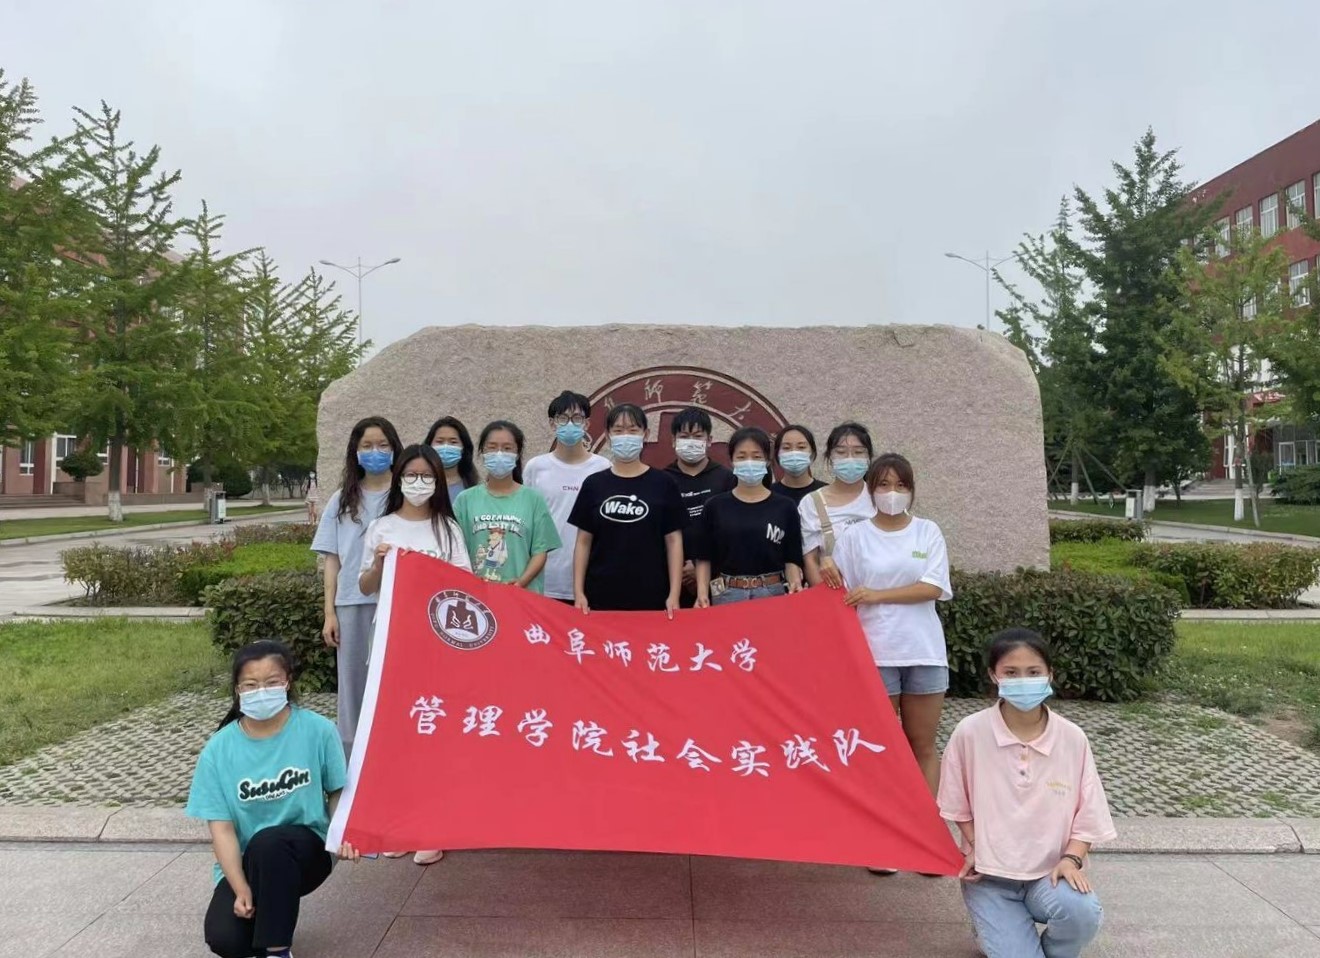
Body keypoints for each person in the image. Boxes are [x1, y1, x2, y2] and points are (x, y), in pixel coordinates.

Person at [939, 629, 1115, 958]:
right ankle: (992, 928)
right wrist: (977, 847)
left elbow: (1089, 814)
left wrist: (1071, 859)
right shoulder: (970, 732)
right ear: (993, 675)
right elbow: (955, 803)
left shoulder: (1072, 738)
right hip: (990, 879)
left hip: (1050, 875)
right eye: (1011, 672)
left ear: (1050, 674)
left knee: (1082, 911)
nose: (1023, 680)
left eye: (1034, 672)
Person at [186, 640, 346, 958]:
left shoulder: (318, 730)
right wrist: (240, 887)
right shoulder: (218, 749)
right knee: (226, 940)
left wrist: (343, 834)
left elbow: (338, 791)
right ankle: (273, 918)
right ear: (237, 690)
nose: (262, 691)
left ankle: (278, 951)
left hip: (308, 851)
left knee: (270, 843)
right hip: (250, 861)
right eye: (251, 684)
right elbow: (222, 830)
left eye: (272, 682)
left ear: (288, 682)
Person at [358, 444, 472, 867]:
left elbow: (465, 585)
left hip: (436, 645)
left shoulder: (447, 529)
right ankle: (401, 825)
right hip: (393, 642)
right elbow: (365, 585)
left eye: (427, 476)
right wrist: (379, 564)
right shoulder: (382, 527)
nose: (418, 483)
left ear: (438, 482)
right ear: (399, 478)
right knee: (398, 734)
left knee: (434, 730)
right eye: (411, 475)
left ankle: (432, 827)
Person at [832, 453, 952, 799]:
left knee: (922, 744)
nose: (892, 492)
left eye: (901, 485)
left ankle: (928, 821)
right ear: (870, 489)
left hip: (924, 652)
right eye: (883, 485)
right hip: (875, 652)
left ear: (911, 489)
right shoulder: (855, 536)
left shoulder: (927, 531)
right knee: (878, 745)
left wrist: (877, 595)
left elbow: (932, 587)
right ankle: (884, 821)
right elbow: (840, 594)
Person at [310, 415, 402, 755]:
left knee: (395, 682)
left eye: (383, 445)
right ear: (355, 451)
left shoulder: (405, 495)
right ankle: (352, 759)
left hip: (396, 602)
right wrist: (329, 613)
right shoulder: (341, 500)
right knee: (352, 689)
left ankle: (393, 752)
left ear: (394, 449)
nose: (375, 452)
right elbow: (332, 559)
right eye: (367, 445)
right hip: (351, 603)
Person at [570, 403, 685, 615]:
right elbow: (583, 542)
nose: (626, 436)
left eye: (633, 430)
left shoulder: (664, 483)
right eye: (618, 430)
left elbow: (674, 541)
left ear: (645, 434)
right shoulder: (594, 484)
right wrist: (578, 592)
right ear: (608, 436)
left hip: (652, 595)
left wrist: (674, 594)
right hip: (600, 595)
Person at [694, 426, 804, 606]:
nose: (749, 462)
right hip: (727, 593)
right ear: (731, 461)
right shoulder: (715, 506)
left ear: (767, 460)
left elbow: (791, 558)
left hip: (773, 593)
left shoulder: (785, 506)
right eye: (742, 457)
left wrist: (795, 584)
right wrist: (701, 593)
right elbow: (704, 557)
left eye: (757, 456)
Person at [523, 391, 611, 604]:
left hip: (589, 580)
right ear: (552, 424)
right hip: (544, 578)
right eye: (563, 418)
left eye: (577, 418)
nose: (570, 424)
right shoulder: (536, 467)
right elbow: (527, 521)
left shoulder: (603, 468)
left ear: (587, 424)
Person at [453, 420, 561, 591]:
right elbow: (454, 549)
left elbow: (540, 552)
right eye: (492, 447)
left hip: (522, 596)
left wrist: (520, 583)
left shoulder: (533, 500)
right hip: (477, 595)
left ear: (517, 454)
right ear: (482, 452)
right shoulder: (465, 500)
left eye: (507, 448)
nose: (499, 453)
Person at [664, 407, 736, 607]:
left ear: (709, 440)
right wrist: (681, 568)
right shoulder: (663, 480)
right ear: (673, 440)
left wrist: (700, 568)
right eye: (684, 436)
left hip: (719, 578)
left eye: (697, 436)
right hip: (672, 581)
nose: (691, 442)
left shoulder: (726, 479)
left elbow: (732, 529)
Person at [798, 421, 877, 587]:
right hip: (834, 595)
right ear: (830, 458)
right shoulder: (812, 502)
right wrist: (827, 599)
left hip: (879, 594)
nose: (850, 458)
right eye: (841, 452)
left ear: (869, 458)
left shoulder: (879, 496)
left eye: (858, 452)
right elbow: (810, 560)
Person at [424, 416, 480, 505]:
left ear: (464, 448)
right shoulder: (420, 485)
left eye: (453, 442)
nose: (446, 447)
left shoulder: (474, 489)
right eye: (440, 441)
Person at [770, 424, 828, 504]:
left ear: (812, 454)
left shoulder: (827, 493)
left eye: (801, 447)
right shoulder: (767, 495)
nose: (794, 452)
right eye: (786, 448)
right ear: (777, 454)